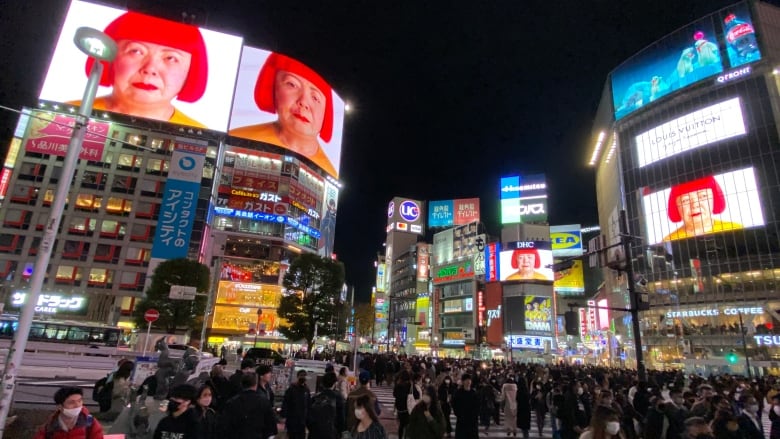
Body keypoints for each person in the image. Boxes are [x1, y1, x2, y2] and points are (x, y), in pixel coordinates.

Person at [74, 12, 208, 127]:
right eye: (136, 51)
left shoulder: (203, 138)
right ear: (110, 58)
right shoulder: (68, 115)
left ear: (191, 71)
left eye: (171, 58)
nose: (150, 69)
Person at [228, 52, 338, 177]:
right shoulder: (236, 139)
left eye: (315, 97)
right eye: (292, 84)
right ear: (274, 88)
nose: (303, 102)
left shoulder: (329, 175)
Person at [662, 176, 742, 241]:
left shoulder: (736, 230)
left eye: (703, 196)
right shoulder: (669, 241)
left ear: (715, 198)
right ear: (675, 207)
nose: (695, 205)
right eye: (685, 200)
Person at [219, 371, 278, 438]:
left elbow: (224, 426)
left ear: (241, 383)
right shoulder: (264, 402)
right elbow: (271, 427)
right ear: (255, 384)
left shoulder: (232, 402)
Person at [34, 386, 104, 439]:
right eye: (71, 402)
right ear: (60, 407)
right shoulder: (49, 427)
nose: (77, 405)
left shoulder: (90, 423)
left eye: (79, 401)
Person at [308, 371, 347, 439]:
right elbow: (342, 420)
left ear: (323, 383)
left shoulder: (315, 398)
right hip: (332, 434)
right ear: (334, 384)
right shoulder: (338, 398)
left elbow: (308, 418)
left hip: (315, 434)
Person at [282, 370, 311, 439]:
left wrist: (308, 418)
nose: (303, 377)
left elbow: (308, 404)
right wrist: (284, 416)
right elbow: (285, 402)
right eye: (301, 375)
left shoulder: (306, 390)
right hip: (292, 420)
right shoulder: (291, 389)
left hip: (302, 421)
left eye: (304, 376)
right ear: (297, 377)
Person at [452, 373, 480, 439]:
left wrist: (476, 414)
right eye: (466, 380)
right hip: (462, 419)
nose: (468, 382)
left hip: (472, 420)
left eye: (469, 380)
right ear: (463, 381)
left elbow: (478, 405)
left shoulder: (474, 393)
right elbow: (454, 404)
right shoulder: (458, 393)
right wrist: (459, 414)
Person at [393, 370, 419, 439]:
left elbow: (394, 394)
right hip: (409, 408)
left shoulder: (398, 385)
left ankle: (400, 437)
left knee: (401, 425)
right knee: (408, 424)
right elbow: (417, 395)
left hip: (400, 408)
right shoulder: (411, 385)